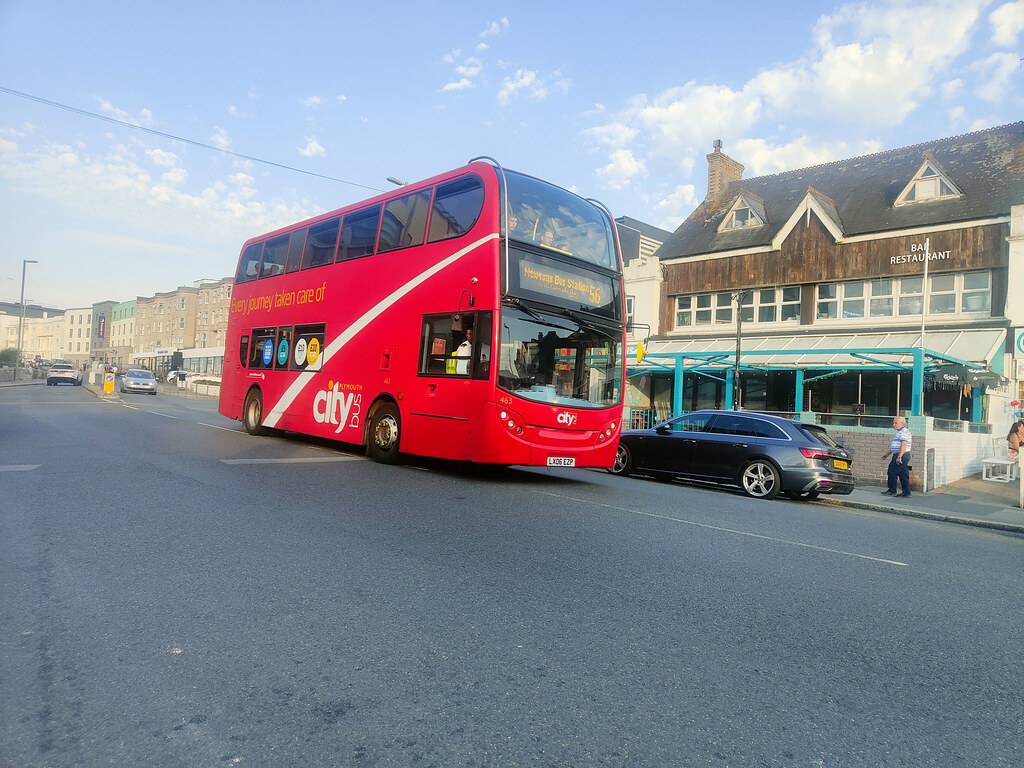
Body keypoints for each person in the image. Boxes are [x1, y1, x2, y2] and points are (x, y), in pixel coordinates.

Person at [881, 416, 912, 497]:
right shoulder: (900, 431)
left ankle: (892, 490)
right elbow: (896, 446)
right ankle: (906, 492)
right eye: (893, 423)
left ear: (902, 423)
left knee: (892, 472)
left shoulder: (903, 432)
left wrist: (899, 457)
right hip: (900, 454)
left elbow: (903, 444)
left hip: (901, 455)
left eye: (896, 423)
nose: (894, 425)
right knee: (903, 474)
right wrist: (887, 454)